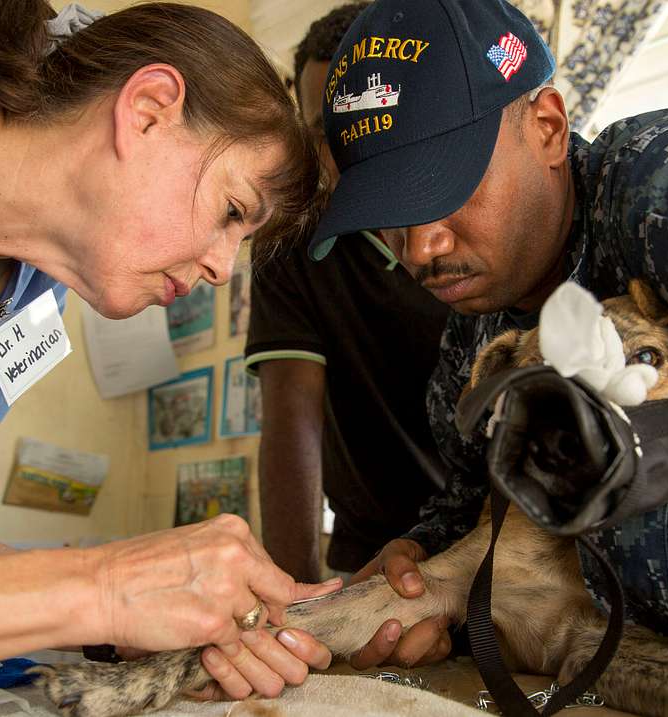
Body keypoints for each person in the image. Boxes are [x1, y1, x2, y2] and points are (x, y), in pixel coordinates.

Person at [0, 0, 340, 703]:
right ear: (147, 110)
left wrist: (139, 610)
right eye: (233, 212)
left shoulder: (31, 295)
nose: (220, 268)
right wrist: (103, 589)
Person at [309, 0, 668, 684]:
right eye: (389, 214)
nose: (420, 248)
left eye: (442, 186)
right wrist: (425, 560)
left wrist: (572, 521)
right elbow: (476, 509)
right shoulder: (477, 334)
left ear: (549, 128)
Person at [245, 2, 451, 665]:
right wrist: (296, 602)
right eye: (324, 129)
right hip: (367, 556)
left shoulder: (474, 216)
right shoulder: (294, 243)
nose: (344, 153)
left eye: (364, 123)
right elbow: (291, 423)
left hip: (488, 538)